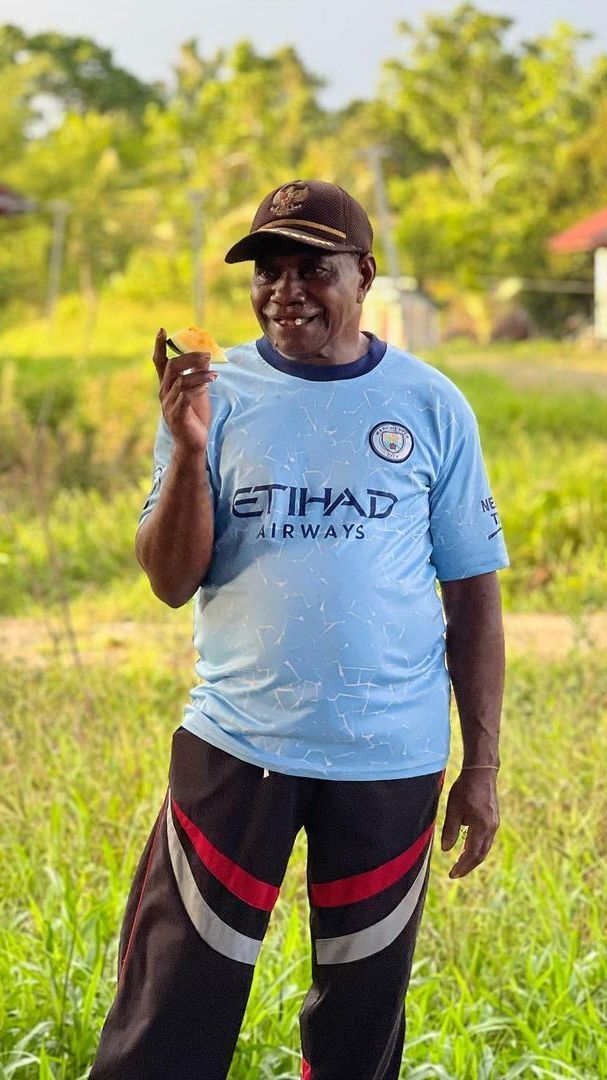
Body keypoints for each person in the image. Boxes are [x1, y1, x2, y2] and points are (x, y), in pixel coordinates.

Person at [90, 179, 509, 1080]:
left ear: (362, 275)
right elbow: (169, 581)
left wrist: (479, 768)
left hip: (389, 761)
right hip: (237, 747)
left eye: (311, 269)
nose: (286, 290)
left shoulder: (430, 405)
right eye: (268, 271)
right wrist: (192, 446)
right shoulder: (211, 392)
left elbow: (472, 596)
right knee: (168, 1012)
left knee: (359, 1027)